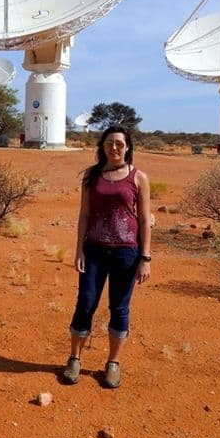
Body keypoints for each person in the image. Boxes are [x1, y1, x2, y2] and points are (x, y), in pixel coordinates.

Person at [62, 125, 151, 388]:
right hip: (94, 250)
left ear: (128, 147)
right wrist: (79, 249)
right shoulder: (92, 176)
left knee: (119, 308)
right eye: (109, 143)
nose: (114, 148)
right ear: (102, 146)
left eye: (120, 144)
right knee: (86, 303)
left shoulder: (138, 178)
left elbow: (145, 220)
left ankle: (113, 363)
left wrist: (145, 258)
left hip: (127, 252)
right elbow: (85, 214)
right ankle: (74, 359)